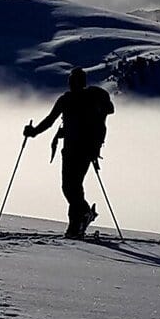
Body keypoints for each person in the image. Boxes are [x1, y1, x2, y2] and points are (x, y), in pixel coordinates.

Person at [24, 66, 114, 238]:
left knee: (72, 186)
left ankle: (76, 224)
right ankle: (83, 216)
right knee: (69, 187)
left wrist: (33, 132)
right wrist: (34, 132)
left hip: (81, 150)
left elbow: (50, 120)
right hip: (75, 150)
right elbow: (51, 120)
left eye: (74, 81)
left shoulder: (73, 100)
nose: (72, 84)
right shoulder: (72, 100)